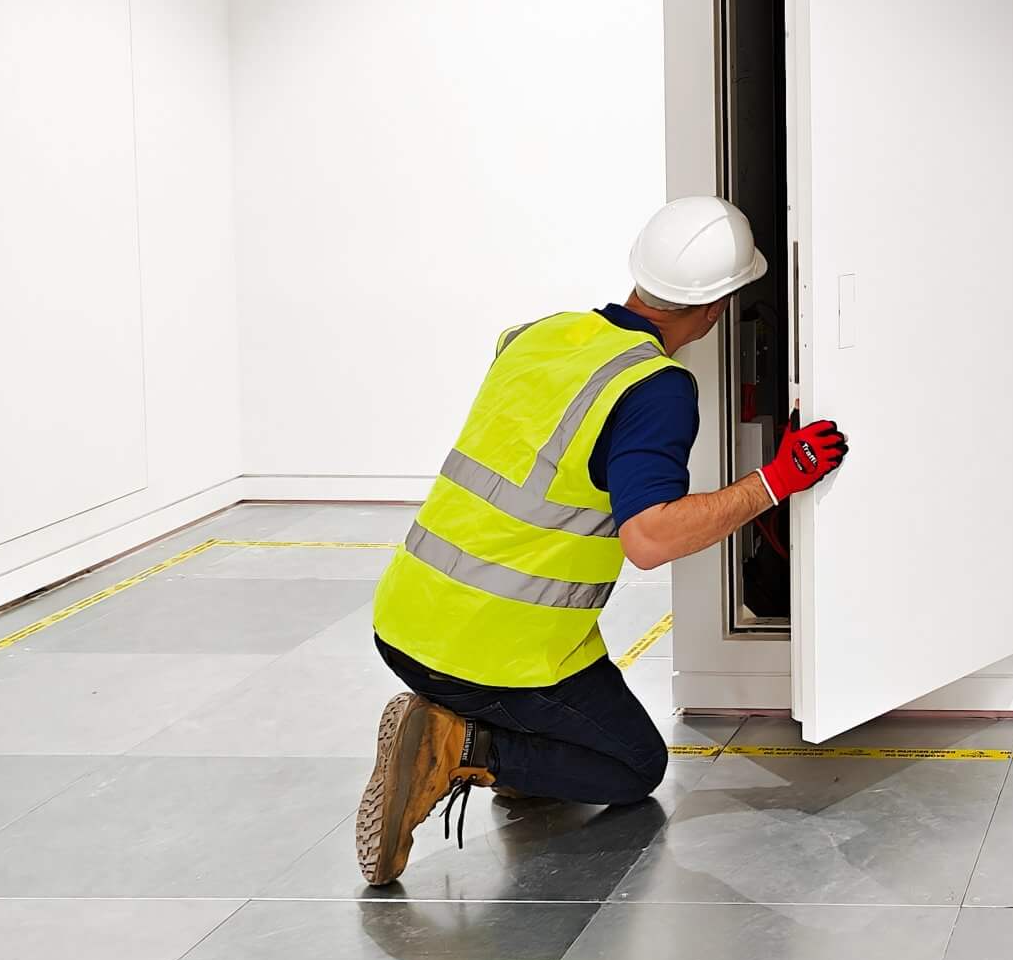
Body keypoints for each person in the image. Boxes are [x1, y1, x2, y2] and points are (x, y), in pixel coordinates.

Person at [353, 196, 848, 887]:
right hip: (494, 652)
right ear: (716, 307)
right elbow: (649, 537)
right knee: (632, 766)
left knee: (588, 716)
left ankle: (488, 735)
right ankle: (459, 742)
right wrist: (774, 481)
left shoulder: (536, 335)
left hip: (405, 620)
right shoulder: (656, 388)